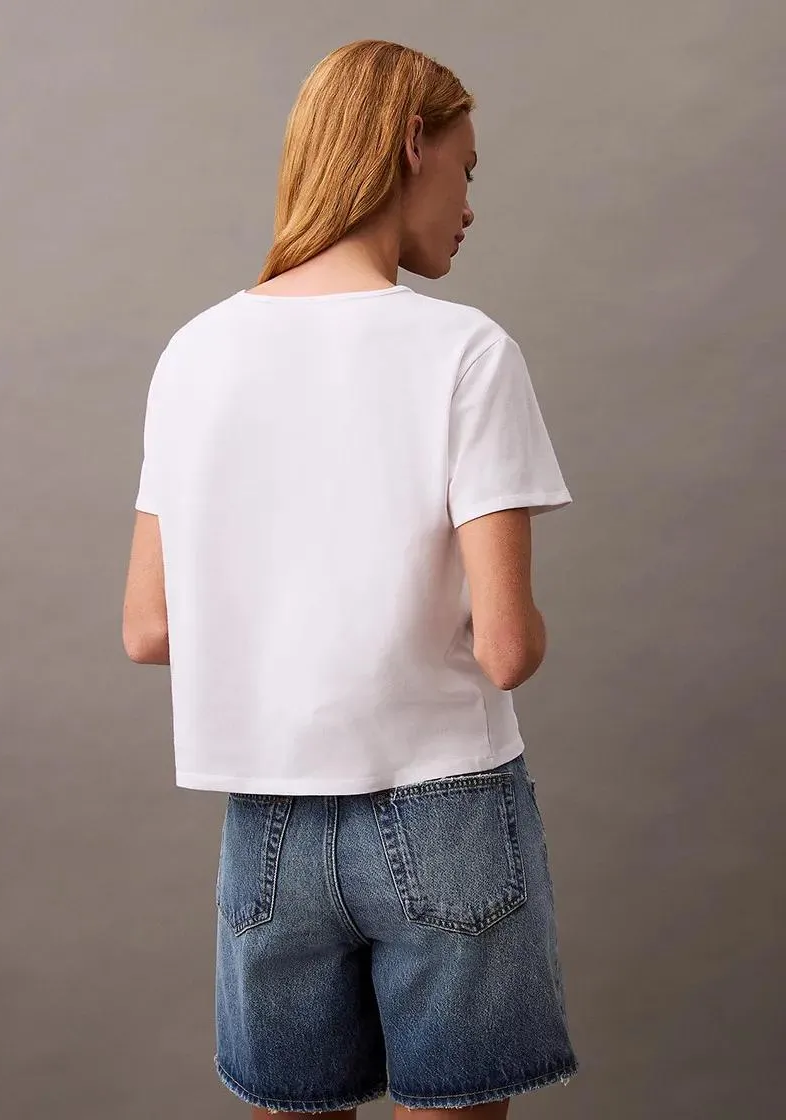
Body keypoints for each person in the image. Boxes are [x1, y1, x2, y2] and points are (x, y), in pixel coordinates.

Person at [123, 37, 579, 1120]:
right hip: (448, 812)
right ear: (412, 143)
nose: (469, 205)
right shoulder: (466, 351)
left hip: (267, 827)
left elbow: (148, 627)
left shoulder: (194, 353)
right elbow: (507, 649)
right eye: (466, 168)